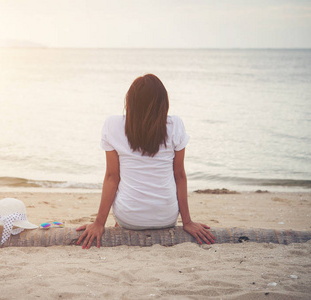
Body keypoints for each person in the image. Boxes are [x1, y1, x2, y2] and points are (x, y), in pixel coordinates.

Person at [76, 74, 216, 249]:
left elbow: (112, 177)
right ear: (163, 103)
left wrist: (98, 223)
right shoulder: (175, 125)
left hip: (129, 218)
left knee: (123, 197)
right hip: (166, 217)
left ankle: (119, 225)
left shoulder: (113, 125)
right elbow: (179, 175)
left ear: (130, 102)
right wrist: (187, 221)